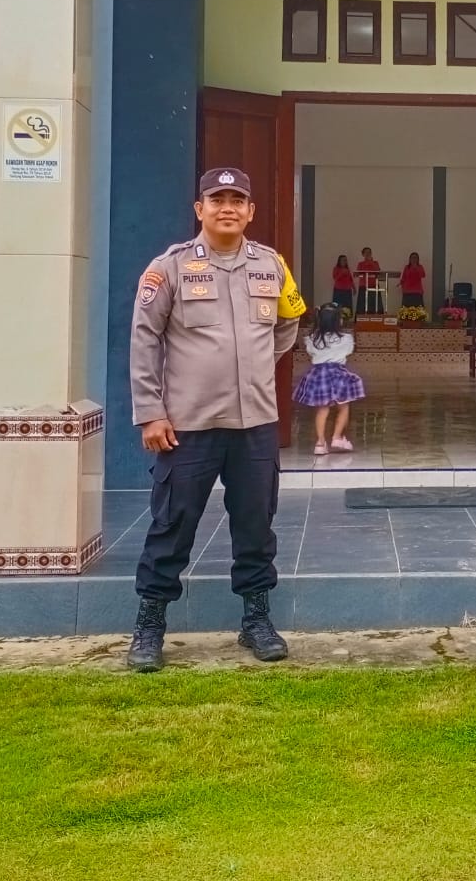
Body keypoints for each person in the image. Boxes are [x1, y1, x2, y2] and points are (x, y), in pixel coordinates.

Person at [126, 166, 307, 672]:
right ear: (199, 209)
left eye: (237, 200)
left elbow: (289, 321)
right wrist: (151, 412)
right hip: (188, 426)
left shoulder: (272, 265)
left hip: (255, 424)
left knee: (256, 525)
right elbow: (145, 339)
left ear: (250, 211)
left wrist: (252, 365)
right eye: (217, 199)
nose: (227, 207)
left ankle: (256, 621)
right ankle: (149, 626)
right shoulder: (169, 268)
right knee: (172, 524)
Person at [294, 303, 365, 455]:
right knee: (343, 407)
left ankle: (320, 444)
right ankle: (337, 437)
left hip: (318, 375)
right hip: (338, 374)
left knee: (322, 409)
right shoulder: (346, 339)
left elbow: (311, 352)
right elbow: (349, 351)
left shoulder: (311, 339)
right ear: (337, 321)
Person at [355, 247, 383, 314]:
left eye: (369, 252)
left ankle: (375, 318)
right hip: (364, 286)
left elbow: (378, 271)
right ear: (363, 254)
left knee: (375, 304)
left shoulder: (375, 262)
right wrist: (367, 263)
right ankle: (362, 318)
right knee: (363, 305)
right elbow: (358, 273)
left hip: (374, 285)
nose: (368, 254)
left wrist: (371, 262)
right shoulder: (360, 264)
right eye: (366, 252)